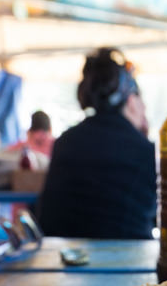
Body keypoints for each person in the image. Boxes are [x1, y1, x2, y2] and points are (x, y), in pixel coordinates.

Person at [36, 48, 156, 239]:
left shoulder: (65, 143)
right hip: (131, 262)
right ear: (132, 101)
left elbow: (47, 219)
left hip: (68, 261)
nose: (145, 108)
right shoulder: (146, 150)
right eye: (142, 101)